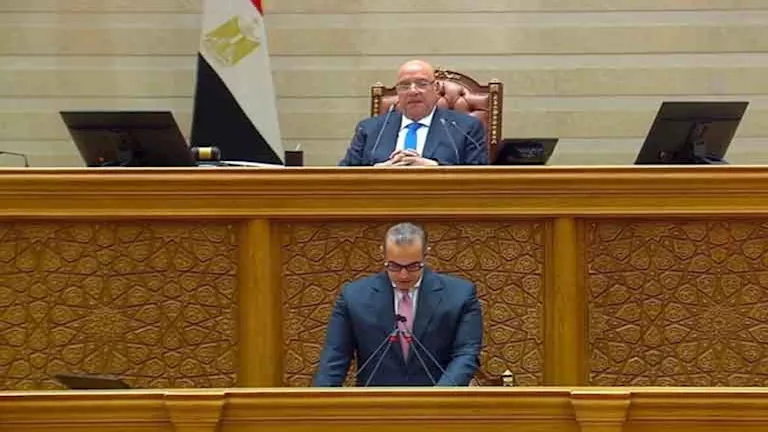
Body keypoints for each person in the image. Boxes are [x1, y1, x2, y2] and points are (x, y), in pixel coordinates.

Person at [313, 222, 483, 386]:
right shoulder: (354, 296)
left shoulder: (460, 295)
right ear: (383, 254)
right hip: (376, 402)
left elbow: (466, 354)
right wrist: (321, 400)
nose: (403, 275)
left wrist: (437, 397)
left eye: (413, 266)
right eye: (394, 266)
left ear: (426, 254)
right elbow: (336, 355)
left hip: (439, 401)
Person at [338, 60, 488, 166]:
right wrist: (377, 172)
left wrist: (436, 169)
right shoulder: (369, 129)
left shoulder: (465, 128)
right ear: (398, 92)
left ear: (436, 88)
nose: (413, 91)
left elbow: (479, 176)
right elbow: (345, 175)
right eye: (404, 86)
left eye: (422, 84)